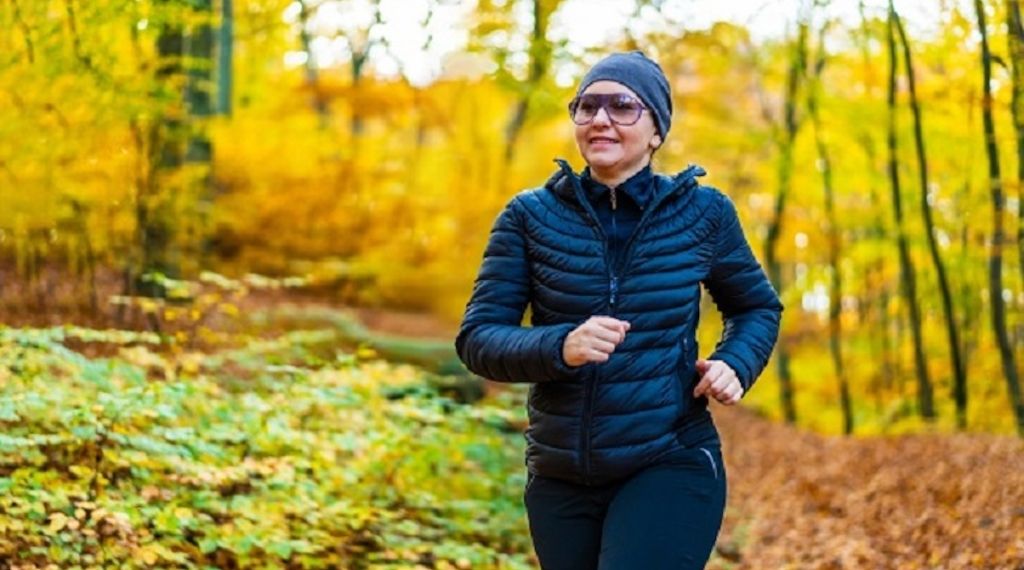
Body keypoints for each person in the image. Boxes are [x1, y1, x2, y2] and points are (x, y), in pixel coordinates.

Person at [455, 51, 783, 570]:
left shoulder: (705, 214)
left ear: (656, 130)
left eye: (623, 106)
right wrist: (559, 345)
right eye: (587, 106)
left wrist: (734, 363)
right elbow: (478, 339)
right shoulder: (528, 217)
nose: (601, 119)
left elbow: (757, 307)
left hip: (668, 457)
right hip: (560, 473)